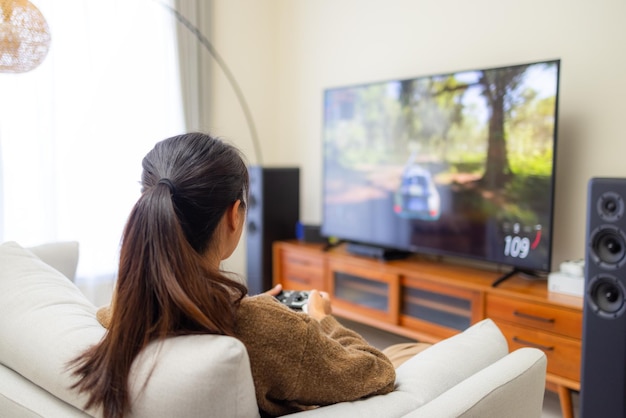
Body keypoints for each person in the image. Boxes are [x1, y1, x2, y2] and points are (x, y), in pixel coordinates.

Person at [70, 132, 397, 418]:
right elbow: (378, 372)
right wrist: (322, 320)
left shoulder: (123, 308)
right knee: (408, 351)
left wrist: (237, 305)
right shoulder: (266, 330)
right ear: (233, 215)